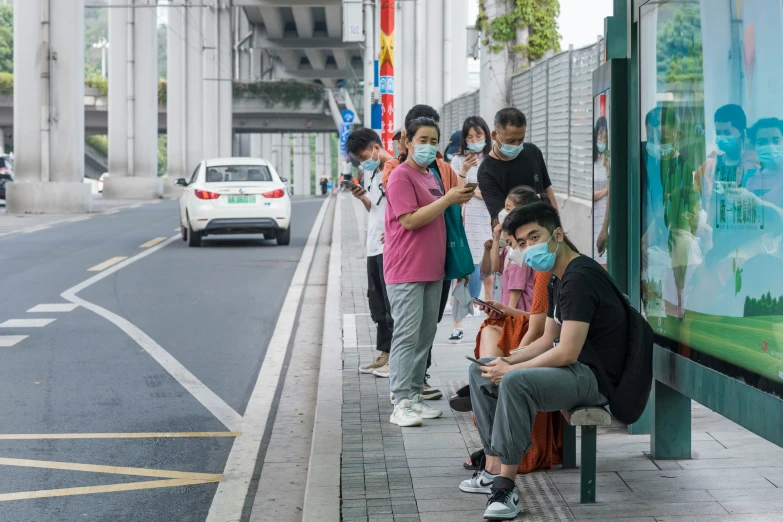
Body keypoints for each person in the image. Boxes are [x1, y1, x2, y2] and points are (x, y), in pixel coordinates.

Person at [458, 201, 628, 520]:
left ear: (558, 234)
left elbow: (567, 351)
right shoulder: (555, 277)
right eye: (522, 243)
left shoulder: (579, 277)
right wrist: (505, 359)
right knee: (479, 370)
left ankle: (506, 487)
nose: (529, 248)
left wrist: (512, 368)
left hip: (596, 378)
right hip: (575, 370)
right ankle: (495, 463)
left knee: (515, 381)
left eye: (534, 237)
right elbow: (547, 338)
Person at [384, 117, 475, 427]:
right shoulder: (400, 177)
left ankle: (414, 396)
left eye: (433, 140)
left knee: (424, 336)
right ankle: (400, 401)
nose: (428, 145)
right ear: (407, 142)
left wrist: (453, 199)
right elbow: (409, 220)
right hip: (406, 269)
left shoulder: (431, 174)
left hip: (433, 269)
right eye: (422, 139)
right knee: (407, 336)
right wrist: (448, 199)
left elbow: (440, 218)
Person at [346, 129, 395, 378]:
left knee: (391, 305)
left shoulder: (395, 170)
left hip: (391, 247)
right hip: (374, 245)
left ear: (377, 147)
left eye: (365, 155)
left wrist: (396, 233)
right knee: (377, 304)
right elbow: (376, 209)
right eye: (359, 159)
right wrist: (362, 197)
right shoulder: (374, 172)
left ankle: (395, 360)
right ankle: (384, 354)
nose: (363, 161)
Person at [447, 117, 495, 343]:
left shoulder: (495, 158)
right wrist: (465, 169)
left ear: (486, 134)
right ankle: (458, 324)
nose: (475, 141)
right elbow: (455, 191)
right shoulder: (458, 160)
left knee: (489, 272)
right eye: (470, 137)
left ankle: (490, 315)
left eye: (479, 136)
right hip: (467, 223)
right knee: (463, 275)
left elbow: (496, 193)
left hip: (490, 221)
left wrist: (472, 192)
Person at [477, 108, 560, 222]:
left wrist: (557, 222)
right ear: (494, 135)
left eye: (521, 140)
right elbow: (500, 216)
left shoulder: (533, 152)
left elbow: (547, 190)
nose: (516, 145)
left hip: (545, 226)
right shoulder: (487, 171)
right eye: (511, 141)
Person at [593, 116, 610, 265]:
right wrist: (606, 190)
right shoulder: (592, 162)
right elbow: (590, 195)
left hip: (607, 215)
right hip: (595, 217)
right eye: (600, 136)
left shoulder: (608, 160)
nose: (602, 140)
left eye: (605, 137)